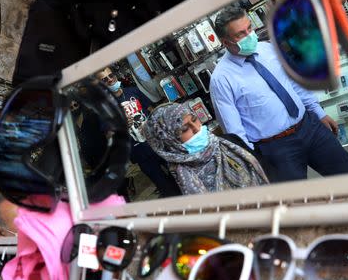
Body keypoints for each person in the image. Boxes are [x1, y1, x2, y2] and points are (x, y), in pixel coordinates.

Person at [209, 6, 348, 182]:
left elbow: (294, 83)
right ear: (225, 42)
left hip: (309, 126)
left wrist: (318, 112)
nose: (250, 35)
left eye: (250, 28)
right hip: (276, 149)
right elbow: (234, 131)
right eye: (240, 34)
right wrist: (254, 162)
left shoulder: (267, 48)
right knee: (297, 201)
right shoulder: (221, 79)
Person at [143, 103, 268, 195]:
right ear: (169, 141)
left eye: (194, 120)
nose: (196, 128)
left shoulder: (230, 142)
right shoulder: (176, 183)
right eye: (184, 129)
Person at [96, 67, 181, 197]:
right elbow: (108, 135)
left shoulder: (133, 91)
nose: (110, 80)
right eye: (104, 80)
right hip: (139, 152)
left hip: (157, 142)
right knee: (163, 185)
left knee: (179, 173)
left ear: (115, 76)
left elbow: (152, 110)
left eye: (111, 75)